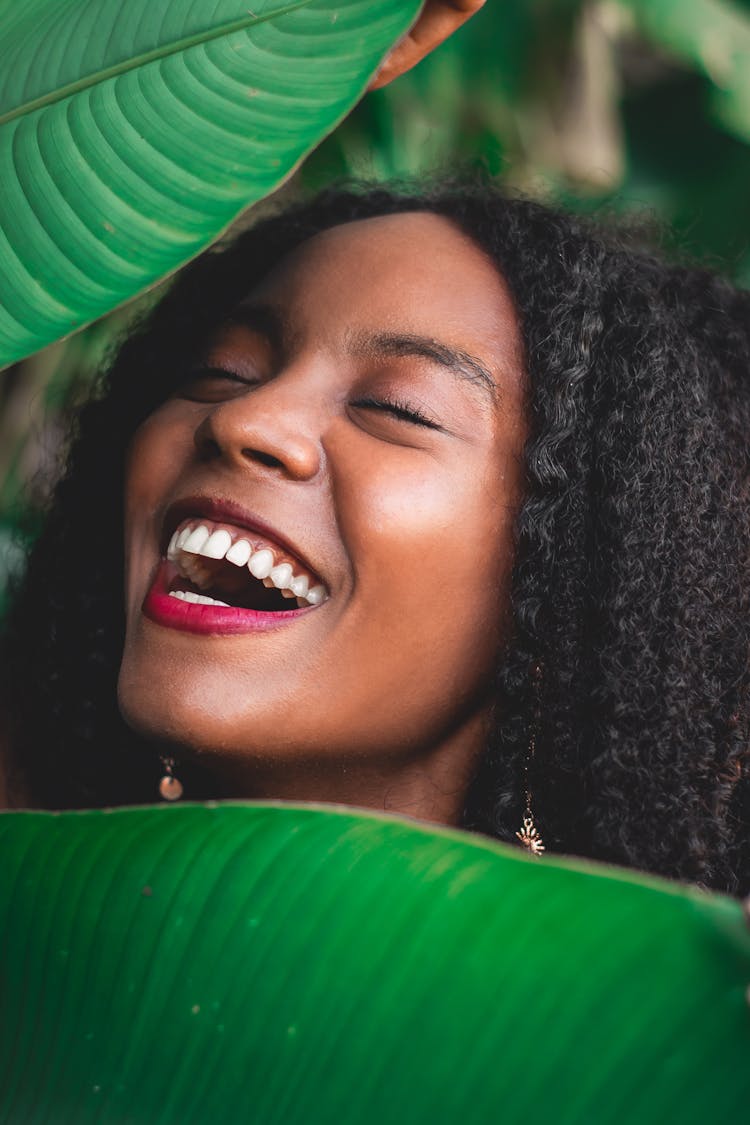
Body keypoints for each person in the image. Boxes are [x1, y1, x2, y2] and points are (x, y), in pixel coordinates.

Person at [1, 178, 749, 899]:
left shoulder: (650, 1020)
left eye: (397, 408)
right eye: (222, 370)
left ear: (570, 589)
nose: (243, 420)